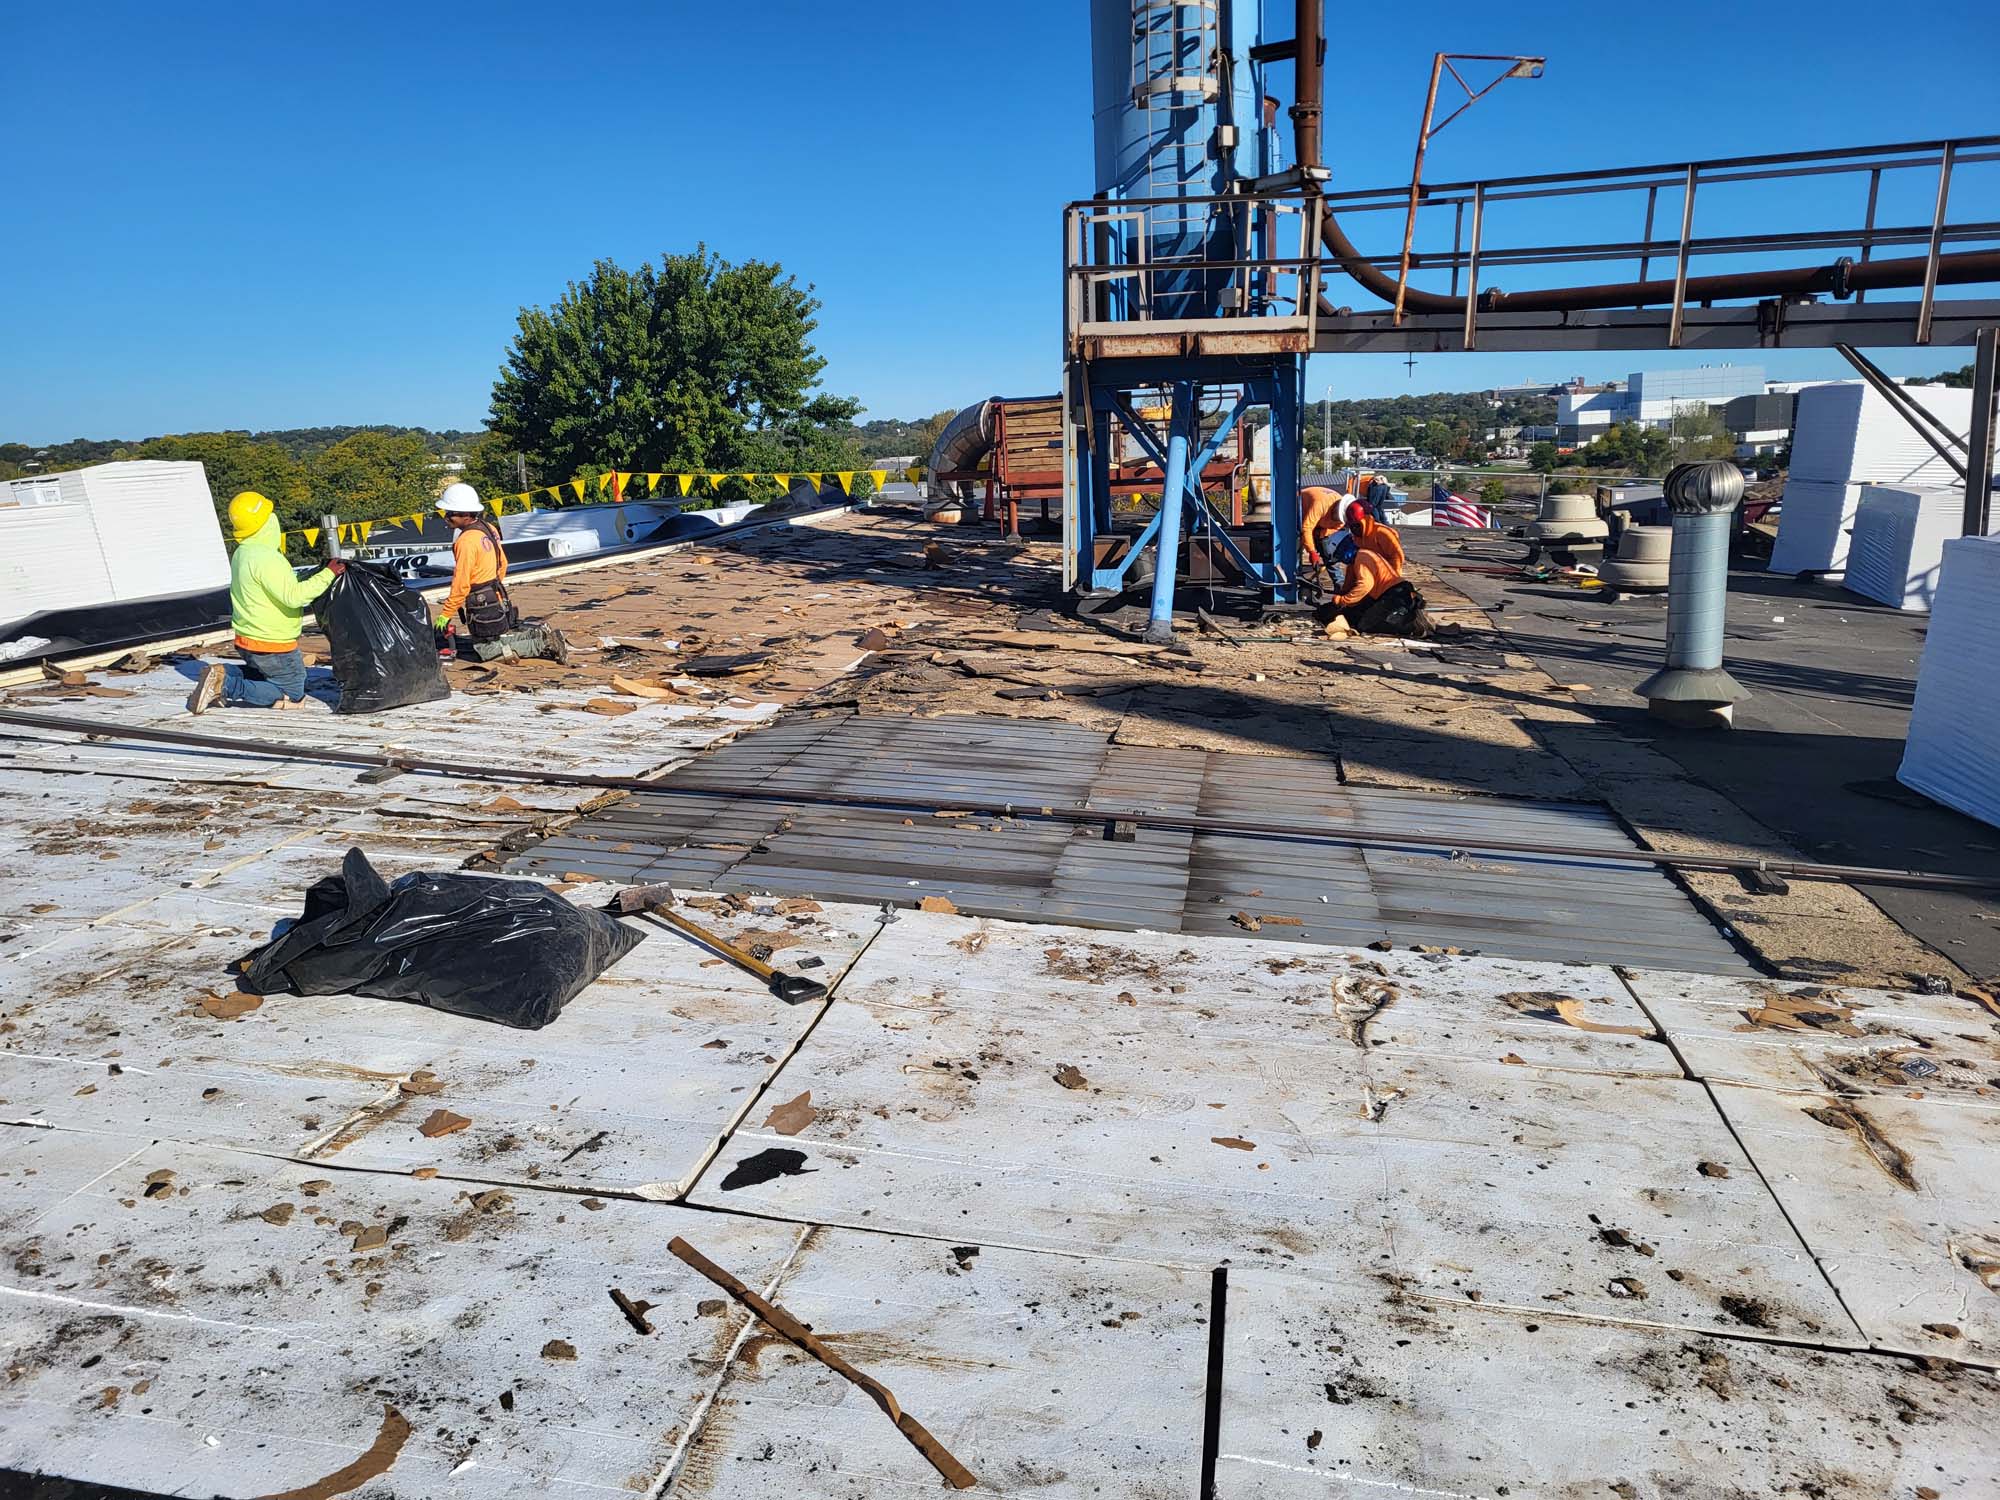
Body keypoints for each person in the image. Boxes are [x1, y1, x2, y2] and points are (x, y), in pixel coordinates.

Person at [187, 491, 344, 714]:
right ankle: (226, 685)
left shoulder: (244, 552)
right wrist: (328, 574)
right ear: (266, 523)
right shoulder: (267, 558)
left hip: (248, 638)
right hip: (271, 642)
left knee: (267, 674)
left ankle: (224, 672)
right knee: (293, 691)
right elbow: (295, 597)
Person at [433, 483, 568, 663]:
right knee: (494, 638)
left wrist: (445, 615)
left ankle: (543, 643)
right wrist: (493, 588)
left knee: (486, 650)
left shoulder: (465, 542)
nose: (446, 517)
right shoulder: (488, 528)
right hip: (494, 593)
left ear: (466, 514)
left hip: (480, 600)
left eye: (451, 513)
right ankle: (540, 634)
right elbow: (502, 562)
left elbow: (461, 583)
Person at [1323, 508, 1431, 637]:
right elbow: (1351, 581)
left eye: (1339, 555)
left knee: (1366, 625)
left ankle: (1411, 625)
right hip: (1390, 592)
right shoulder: (1360, 557)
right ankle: (1409, 615)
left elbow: (1365, 585)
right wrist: (1344, 594)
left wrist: (1343, 600)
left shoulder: (1362, 557)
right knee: (1357, 615)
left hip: (1394, 594)